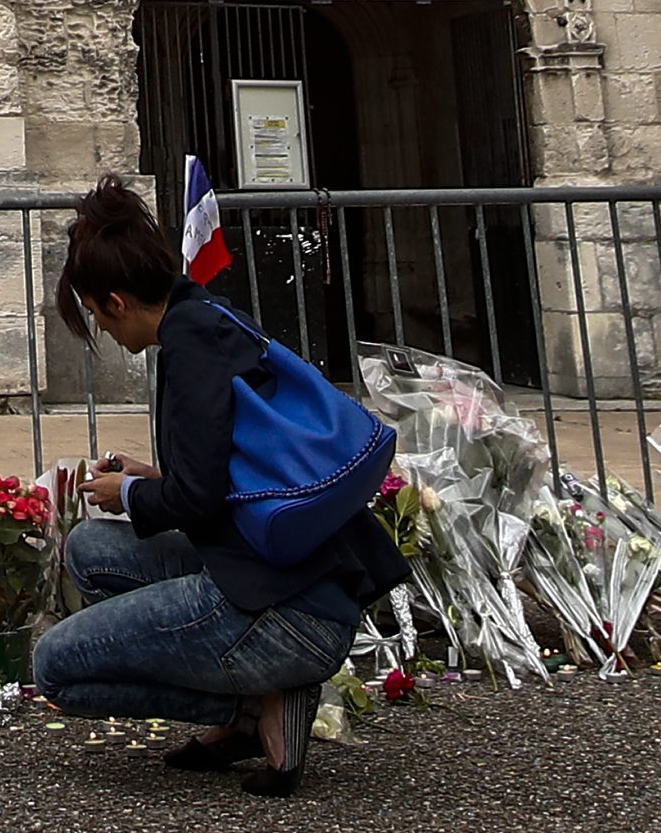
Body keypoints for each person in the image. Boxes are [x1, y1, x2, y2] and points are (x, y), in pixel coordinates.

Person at [33, 181, 404, 799]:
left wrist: (128, 495)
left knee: (56, 668)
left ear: (117, 302)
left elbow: (199, 502)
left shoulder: (188, 351)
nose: (102, 329)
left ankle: (259, 706)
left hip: (287, 612)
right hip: (302, 580)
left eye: (96, 316)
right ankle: (255, 705)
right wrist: (149, 478)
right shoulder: (205, 316)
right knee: (89, 551)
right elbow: (231, 468)